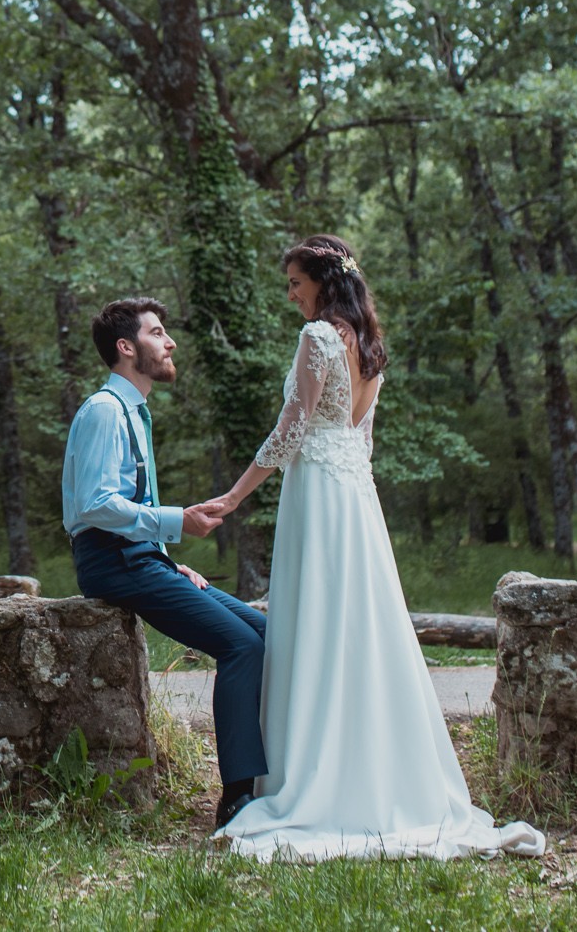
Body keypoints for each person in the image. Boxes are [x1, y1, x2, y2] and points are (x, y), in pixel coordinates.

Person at [207, 235, 546, 860]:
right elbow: (362, 443)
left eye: (295, 283)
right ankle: (377, 774)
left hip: (317, 493)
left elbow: (292, 428)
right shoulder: (370, 347)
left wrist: (231, 499)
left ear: (322, 281)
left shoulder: (317, 338)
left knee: (316, 624)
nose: (291, 295)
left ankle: (309, 779)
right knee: (361, 626)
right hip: (354, 500)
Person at [61, 296, 266, 828]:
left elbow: (130, 505)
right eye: (157, 333)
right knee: (240, 645)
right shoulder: (106, 411)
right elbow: (95, 505)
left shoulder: (133, 411)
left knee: (263, 632)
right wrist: (177, 521)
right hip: (112, 563)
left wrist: (166, 558)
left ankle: (268, 777)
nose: (170, 341)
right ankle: (237, 798)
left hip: (139, 558)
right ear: (126, 348)